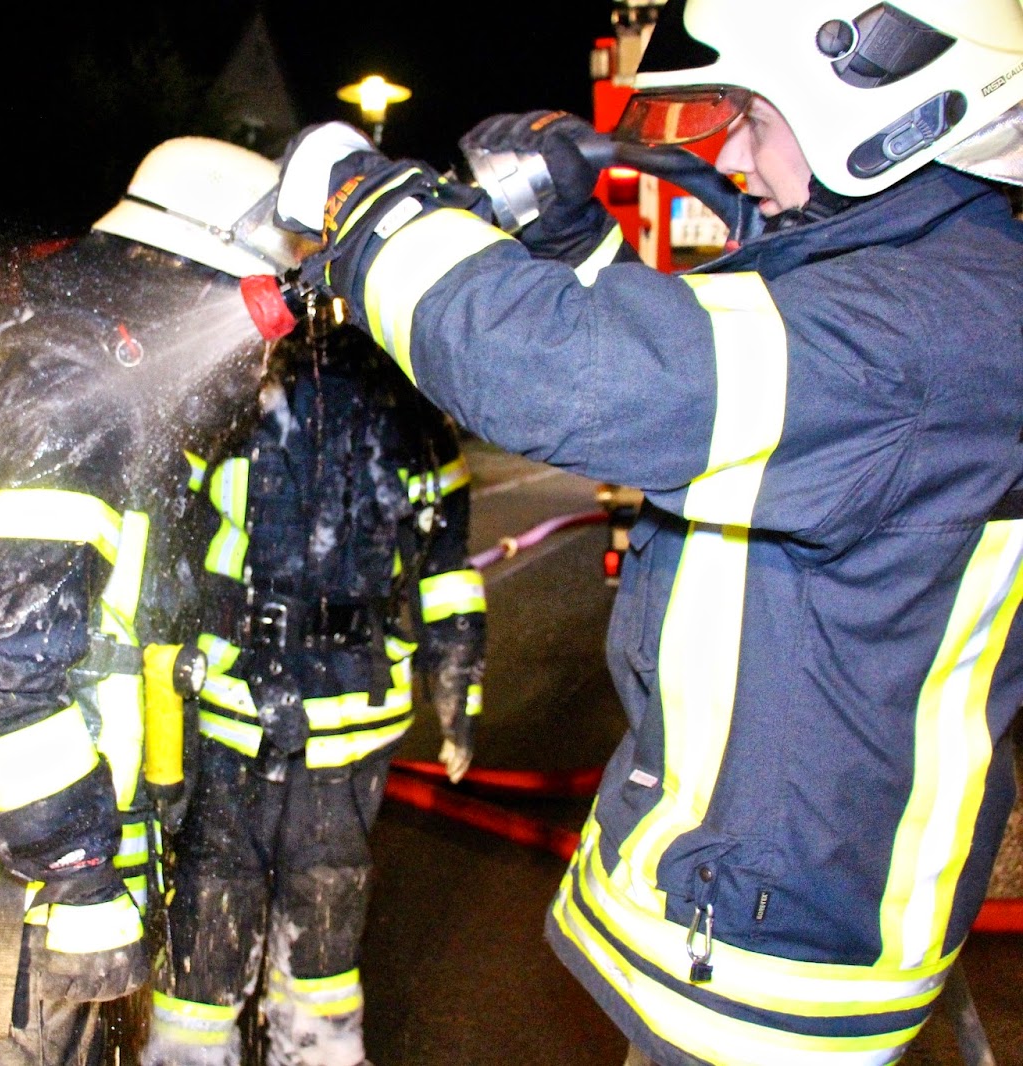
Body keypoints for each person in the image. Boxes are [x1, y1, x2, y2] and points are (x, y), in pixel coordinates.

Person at [274, 1, 1023, 1062]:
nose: (734, 152)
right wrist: (570, 233)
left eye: (756, 116)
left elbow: (561, 372)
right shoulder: (932, 290)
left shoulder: (921, 330)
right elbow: (705, 393)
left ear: (893, 107)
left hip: (773, 955)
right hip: (765, 916)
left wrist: (371, 204)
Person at [0, 137, 315, 1066]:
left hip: (36, 869)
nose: (257, 351)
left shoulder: (125, 395)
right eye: (255, 311)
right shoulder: (78, 394)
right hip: (14, 883)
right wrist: (79, 875)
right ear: (185, 278)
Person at [139, 304, 486, 1066]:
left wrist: (457, 685)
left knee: (325, 908)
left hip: (346, 720)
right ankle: (196, 1053)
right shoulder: (232, 393)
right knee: (210, 905)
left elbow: (446, 567)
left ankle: (318, 1051)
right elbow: (164, 553)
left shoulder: (412, 412)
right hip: (232, 710)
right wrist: (154, 695)